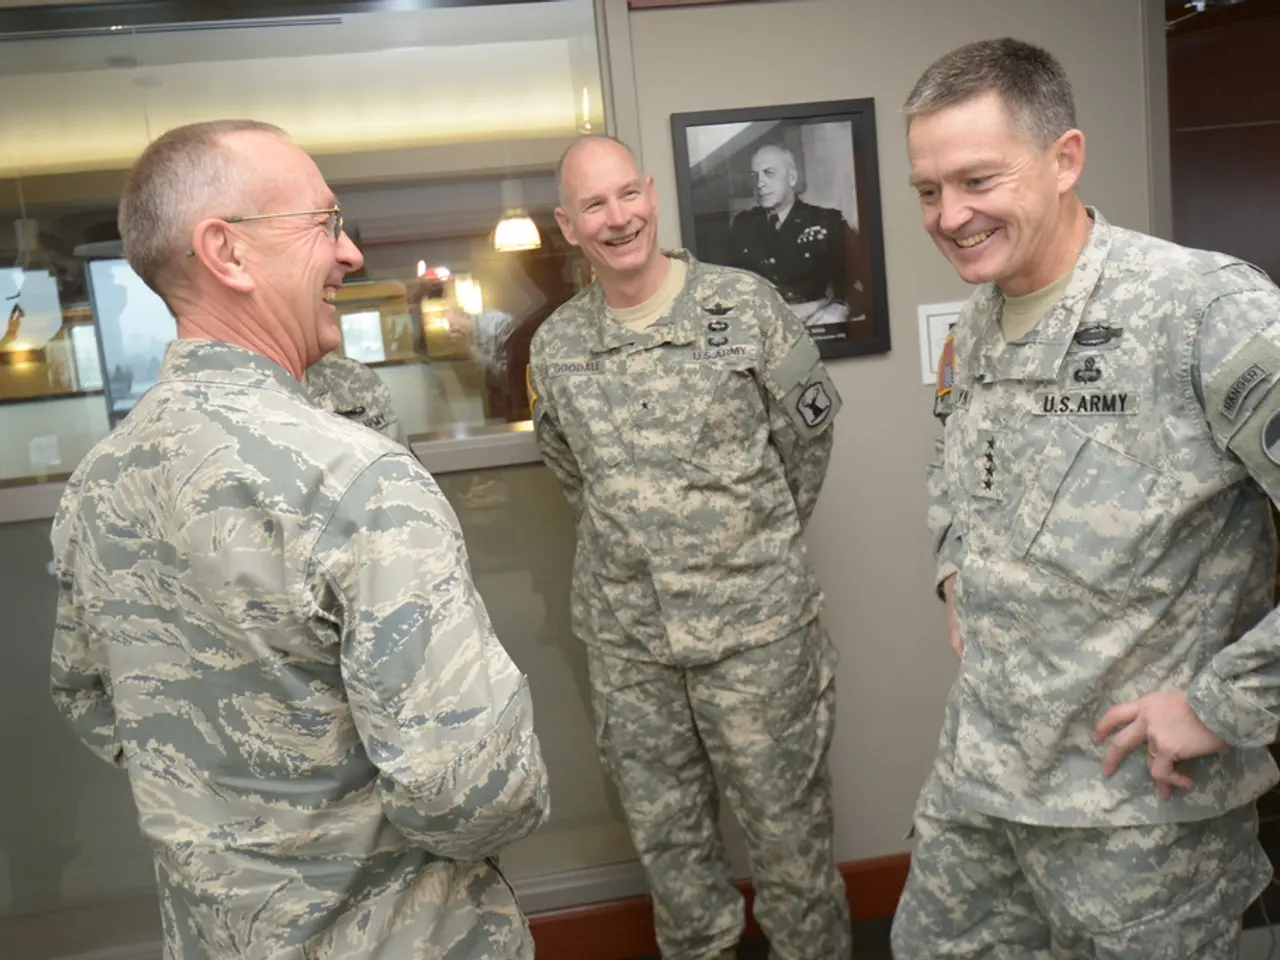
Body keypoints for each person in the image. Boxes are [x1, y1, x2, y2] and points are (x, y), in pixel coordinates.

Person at [48, 119, 550, 959]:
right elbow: (470, 792)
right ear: (228, 253)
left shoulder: (97, 486)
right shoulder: (357, 481)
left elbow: (90, 703)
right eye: (324, 222)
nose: (350, 253)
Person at [894, 37, 1280, 958]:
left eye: (978, 180)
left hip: (1134, 819)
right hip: (982, 780)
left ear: (1064, 159)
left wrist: (1224, 703)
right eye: (928, 191)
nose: (950, 216)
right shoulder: (981, 322)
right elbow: (954, 466)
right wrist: (955, 567)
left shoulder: (1204, 311)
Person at [528, 133, 850, 960]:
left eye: (626, 194)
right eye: (593, 205)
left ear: (652, 195)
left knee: (792, 845)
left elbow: (806, 442)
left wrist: (746, 547)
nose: (617, 217)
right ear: (570, 226)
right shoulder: (556, 348)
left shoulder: (745, 307)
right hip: (632, 645)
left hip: (757, 636)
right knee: (672, 855)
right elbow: (573, 474)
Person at [727, 143, 864, 329]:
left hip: (814, 324)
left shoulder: (827, 221)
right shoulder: (743, 225)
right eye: (754, 176)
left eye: (769, 173)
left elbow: (861, 279)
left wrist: (840, 306)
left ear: (792, 177)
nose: (760, 184)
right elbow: (729, 286)